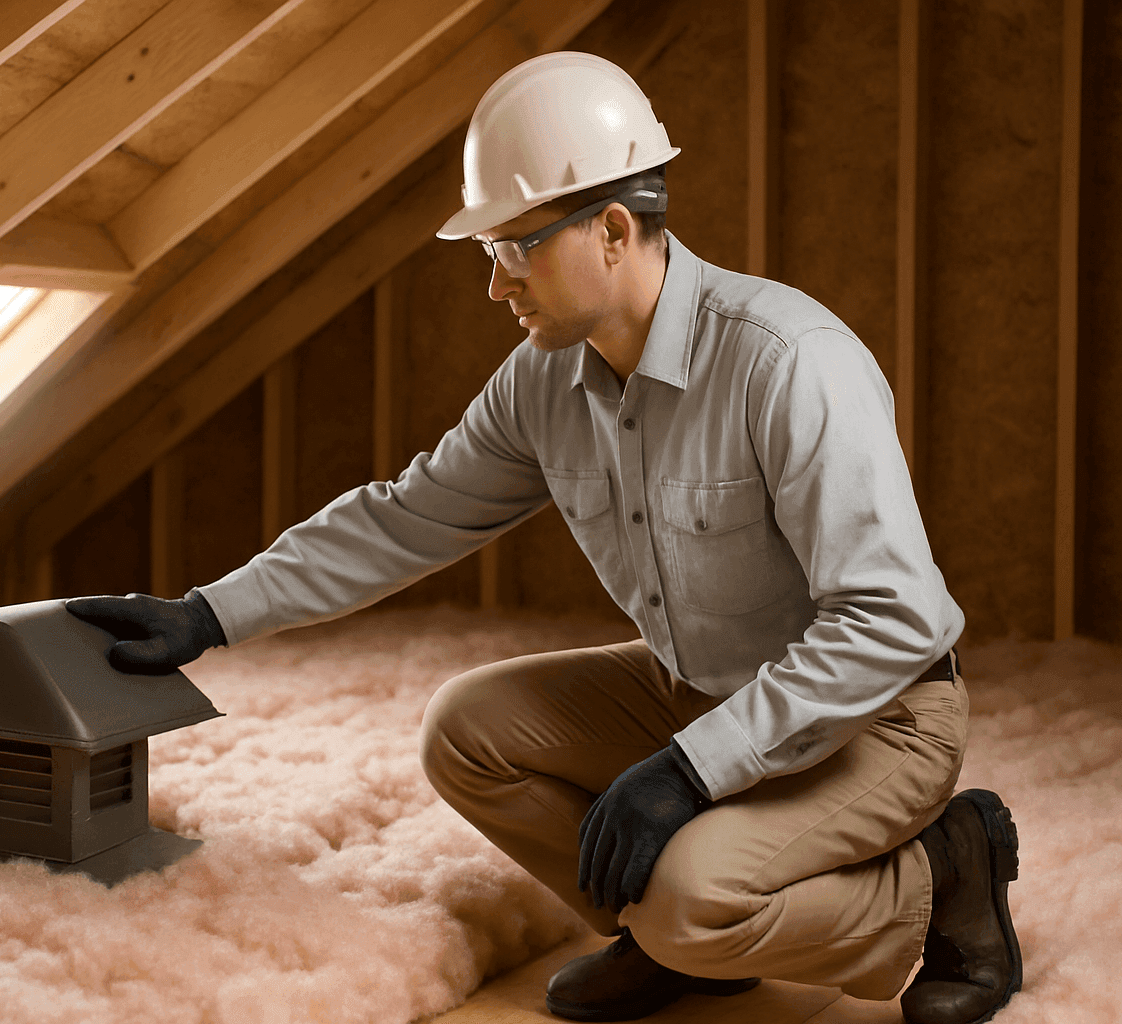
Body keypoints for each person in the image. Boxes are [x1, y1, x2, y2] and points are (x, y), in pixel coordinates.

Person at [66, 52, 1022, 1024]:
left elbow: (892, 623)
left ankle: (941, 873)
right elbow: (407, 515)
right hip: (700, 688)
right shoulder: (544, 381)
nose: (495, 285)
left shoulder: (791, 364)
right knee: (470, 733)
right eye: (488, 252)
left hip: (877, 714)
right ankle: (681, 946)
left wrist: (693, 771)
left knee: (697, 897)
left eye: (513, 247)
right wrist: (206, 614)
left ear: (612, 231)